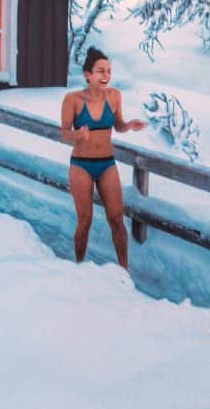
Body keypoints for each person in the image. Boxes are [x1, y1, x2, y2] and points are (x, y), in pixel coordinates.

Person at [60, 46, 147, 270]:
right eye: (100, 71)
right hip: (81, 165)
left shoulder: (115, 96)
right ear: (88, 74)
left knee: (117, 219)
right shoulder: (73, 100)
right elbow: (64, 133)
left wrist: (129, 125)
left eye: (108, 71)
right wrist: (77, 134)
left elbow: (117, 125)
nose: (106, 76)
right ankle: (79, 265)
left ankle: (124, 270)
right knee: (85, 220)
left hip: (107, 163)